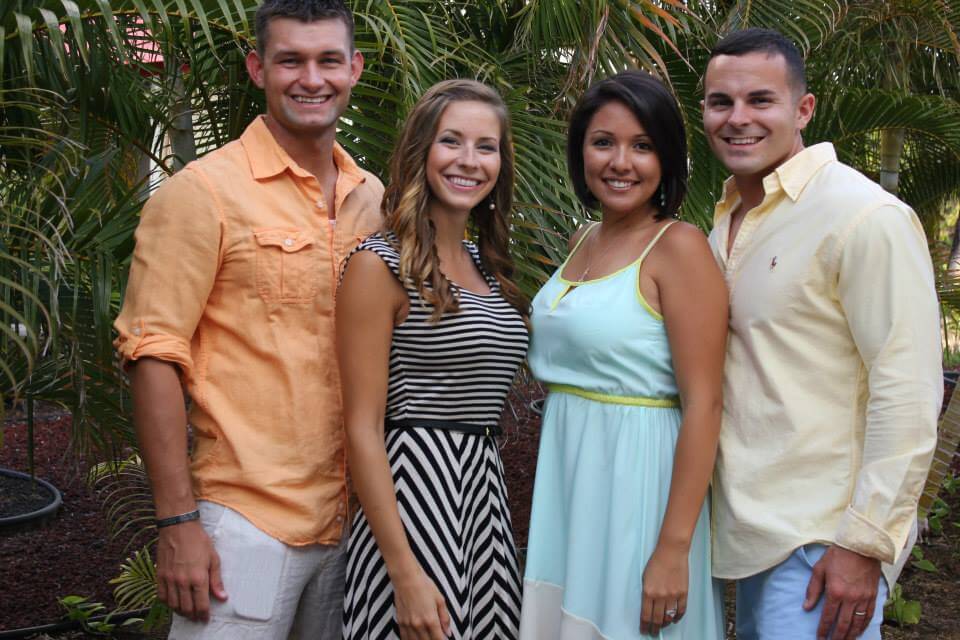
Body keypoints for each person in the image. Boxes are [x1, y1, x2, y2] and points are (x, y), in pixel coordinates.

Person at [113, 1, 383, 637]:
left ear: (355, 70)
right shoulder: (202, 193)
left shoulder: (372, 197)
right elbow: (152, 355)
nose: (310, 78)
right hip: (246, 523)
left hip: (356, 524)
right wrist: (178, 524)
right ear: (258, 68)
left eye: (328, 61)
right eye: (290, 60)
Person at [702, 28, 942, 640]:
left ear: (803, 109)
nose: (738, 119)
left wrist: (864, 544)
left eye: (761, 100)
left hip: (820, 545)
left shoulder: (864, 217)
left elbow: (908, 389)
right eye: (720, 102)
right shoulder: (728, 215)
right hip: (744, 536)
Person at [519, 70, 728, 639]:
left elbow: (706, 404)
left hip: (640, 479)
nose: (620, 162)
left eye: (643, 146)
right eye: (603, 142)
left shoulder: (678, 247)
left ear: (667, 160)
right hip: (570, 472)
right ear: (580, 149)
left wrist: (672, 548)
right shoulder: (581, 239)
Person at [338, 79, 530, 640]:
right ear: (421, 151)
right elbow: (362, 429)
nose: (469, 161)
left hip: (481, 499)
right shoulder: (378, 265)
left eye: (486, 146)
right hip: (411, 498)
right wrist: (404, 571)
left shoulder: (488, 265)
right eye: (452, 142)